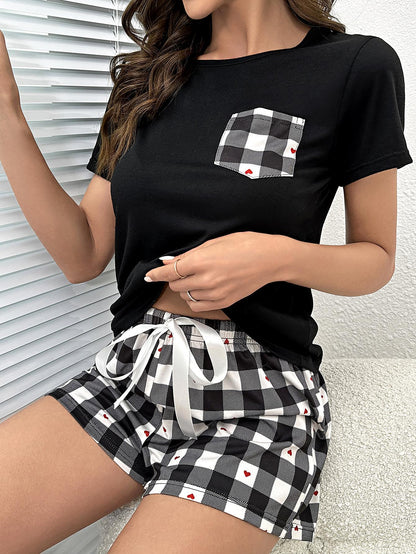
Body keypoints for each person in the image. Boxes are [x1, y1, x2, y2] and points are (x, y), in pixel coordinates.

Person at [0, 0, 413, 552]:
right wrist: (7, 112)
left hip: (260, 398)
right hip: (132, 374)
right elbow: (84, 254)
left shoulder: (355, 66)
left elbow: (376, 258)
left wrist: (273, 256)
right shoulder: (147, 81)